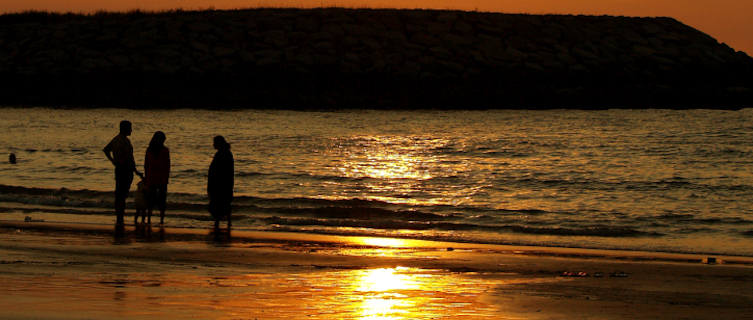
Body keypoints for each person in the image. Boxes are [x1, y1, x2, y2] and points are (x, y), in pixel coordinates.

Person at [103, 120, 143, 225]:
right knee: (122, 194)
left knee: (119, 193)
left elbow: (106, 150)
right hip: (125, 170)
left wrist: (113, 161)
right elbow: (129, 158)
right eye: (130, 128)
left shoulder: (116, 139)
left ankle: (119, 216)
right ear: (125, 129)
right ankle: (120, 216)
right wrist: (135, 171)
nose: (131, 130)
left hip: (120, 169)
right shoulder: (124, 141)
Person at [144, 131, 170, 225]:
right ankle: (157, 219)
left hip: (157, 178)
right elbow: (167, 165)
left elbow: (146, 165)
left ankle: (155, 219)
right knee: (157, 200)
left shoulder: (151, 150)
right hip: (156, 178)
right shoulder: (163, 150)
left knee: (155, 199)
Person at [208, 135, 234, 229]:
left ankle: (220, 222)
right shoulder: (224, 153)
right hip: (223, 183)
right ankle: (224, 223)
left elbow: (220, 171)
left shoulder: (223, 154)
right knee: (223, 204)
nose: (213, 145)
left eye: (215, 143)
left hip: (220, 183)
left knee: (219, 204)